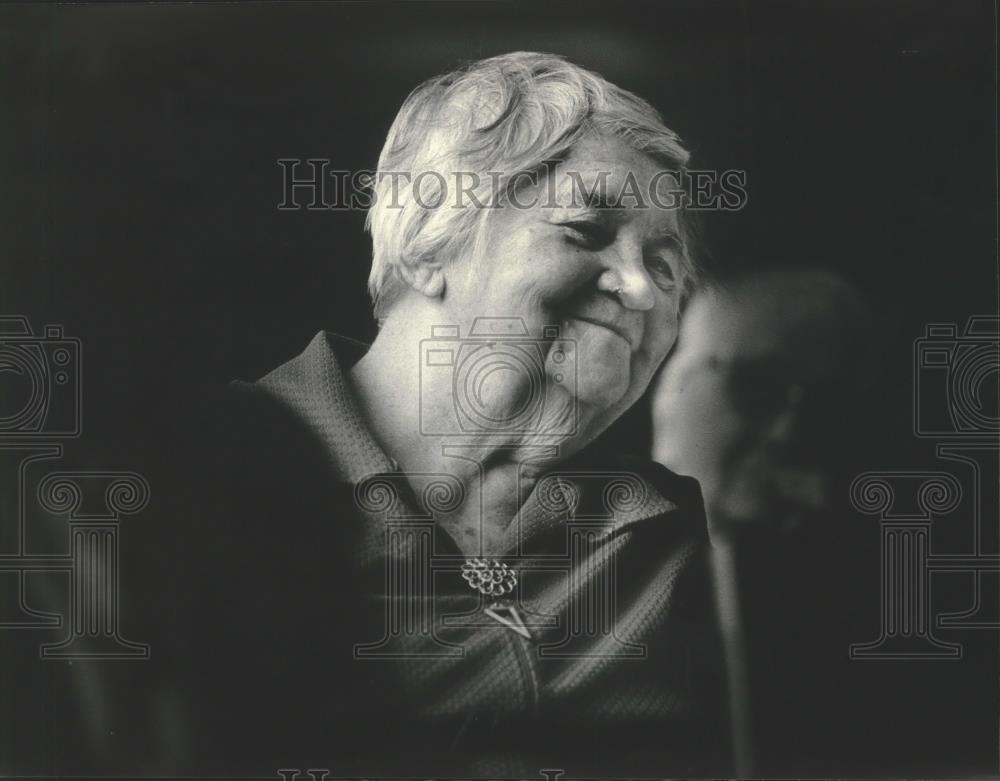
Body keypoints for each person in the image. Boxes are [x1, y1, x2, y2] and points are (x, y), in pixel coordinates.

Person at [121, 51, 728, 778]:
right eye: (585, 229)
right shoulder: (192, 486)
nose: (639, 288)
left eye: (665, 266)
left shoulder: (681, 536)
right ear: (428, 238)